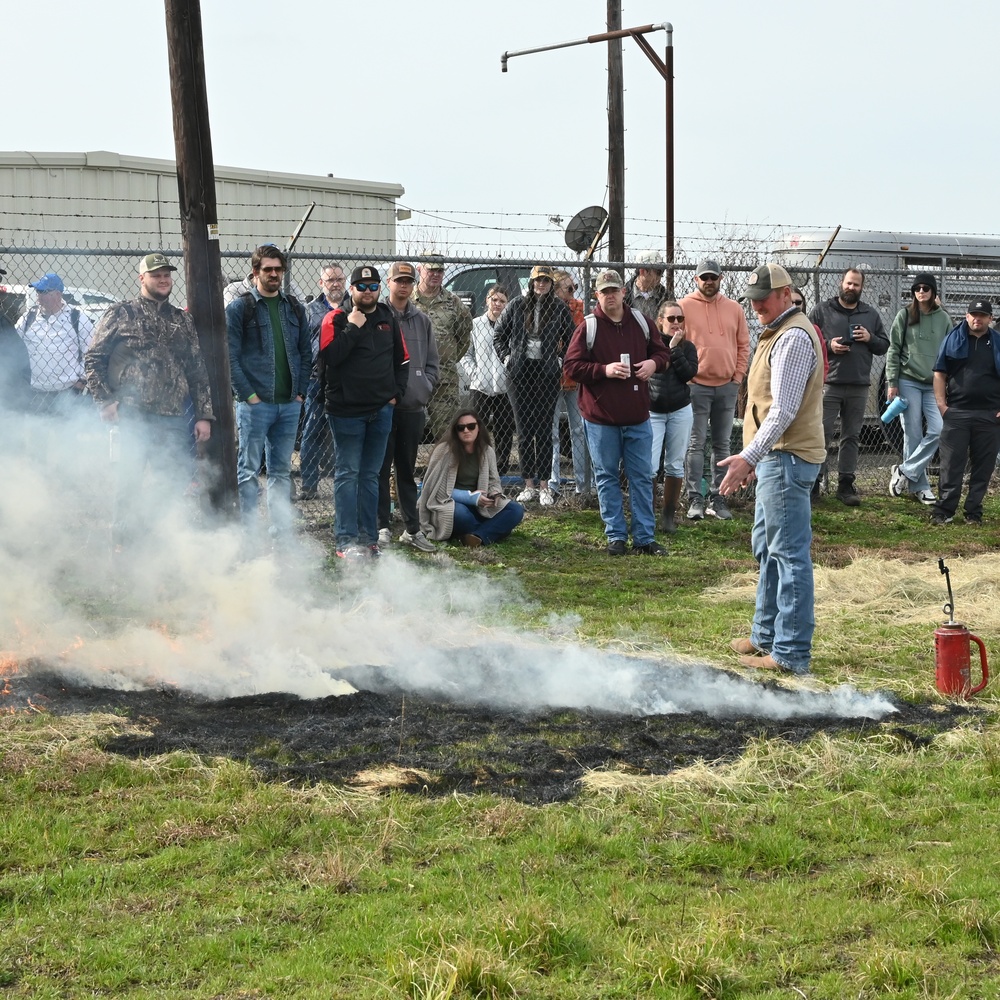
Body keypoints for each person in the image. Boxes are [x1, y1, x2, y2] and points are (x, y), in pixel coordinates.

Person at [718, 264, 825, 675]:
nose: (757, 304)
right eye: (753, 298)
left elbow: (782, 411)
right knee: (767, 547)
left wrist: (749, 457)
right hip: (775, 457)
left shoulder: (793, 337)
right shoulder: (777, 330)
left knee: (788, 554)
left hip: (786, 456)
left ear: (786, 293)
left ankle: (791, 654)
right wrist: (754, 458)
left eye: (764, 297)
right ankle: (764, 635)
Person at [84, 253, 214, 542]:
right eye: (156, 275)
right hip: (132, 414)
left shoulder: (182, 319)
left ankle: (158, 544)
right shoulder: (121, 312)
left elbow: (197, 369)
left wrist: (204, 415)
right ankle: (122, 548)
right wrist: (104, 400)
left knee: (171, 482)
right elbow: (94, 358)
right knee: (128, 483)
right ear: (142, 278)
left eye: (167, 274)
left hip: (172, 416)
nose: (163, 279)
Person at [563, 269, 670, 555]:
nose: (610, 296)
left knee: (641, 476)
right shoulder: (588, 327)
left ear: (624, 292)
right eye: (604, 291)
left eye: (614, 290)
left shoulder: (642, 323)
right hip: (601, 418)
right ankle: (616, 537)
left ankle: (645, 538)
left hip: (637, 417)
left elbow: (662, 354)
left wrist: (653, 365)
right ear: (596, 295)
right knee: (607, 476)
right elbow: (571, 367)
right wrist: (603, 370)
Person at [320, 264, 409, 559]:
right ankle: (346, 541)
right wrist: (353, 327)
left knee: (371, 476)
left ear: (379, 289)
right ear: (351, 289)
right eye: (362, 287)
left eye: (373, 287)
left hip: (381, 410)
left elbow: (403, 360)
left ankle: (369, 539)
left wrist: (395, 395)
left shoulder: (388, 317)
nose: (368, 292)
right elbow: (330, 358)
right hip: (346, 412)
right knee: (348, 474)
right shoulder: (335, 318)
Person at [226, 245, 312, 541]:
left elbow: (305, 352)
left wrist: (300, 393)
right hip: (254, 406)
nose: (273, 274)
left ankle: (280, 536)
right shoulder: (240, 308)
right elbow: (230, 357)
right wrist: (249, 396)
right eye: (267, 269)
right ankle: (249, 536)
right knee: (248, 471)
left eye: (278, 269)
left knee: (280, 473)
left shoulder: (294, 308)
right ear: (255, 272)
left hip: (289, 406)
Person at [494, 264, 575, 506]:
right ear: (531, 282)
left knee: (544, 429)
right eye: (538, 280)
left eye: (546, 281)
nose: (541, 284)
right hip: (519, 372)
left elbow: (572, 337)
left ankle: (544, 486)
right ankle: (527, 483)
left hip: (547, 372)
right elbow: (499, 335)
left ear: (551, 284)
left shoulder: (559, 308)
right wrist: (507, 357)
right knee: (524, 428)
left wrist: (559, 359)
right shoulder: (517, 305)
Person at [809, 267, 888, 506]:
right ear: (840, 283)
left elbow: (884, 345)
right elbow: (807, 339)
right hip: (829, 384)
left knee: (851, 436)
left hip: (859, 385)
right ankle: (814, 484)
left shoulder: (870, 314)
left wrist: (869, 338)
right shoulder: (822, 310)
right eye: (848, 283)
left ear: (861, 288)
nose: (851, 288)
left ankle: (845, 485)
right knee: (820, 436)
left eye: (856, 285)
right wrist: (829, 345)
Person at [680, 258, 750, 522]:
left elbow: (743, 345)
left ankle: (717, 498)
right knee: (696, 443)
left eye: (714, 277)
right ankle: (694, 498)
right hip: (696, 386)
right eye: (704, 277)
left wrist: (737, 376)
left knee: (722, 445)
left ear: (721, 279)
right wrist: (687, 377)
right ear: (696, 280)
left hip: (726, 386)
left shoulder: (734, 309)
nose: (709, 282)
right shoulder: (684, 307)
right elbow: (676, 343)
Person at [377, 261, 439, 552]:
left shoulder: (422, 320)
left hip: (412, 408)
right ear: (388, 283)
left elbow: (432, 362)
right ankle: (382, 527)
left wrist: (424, 385)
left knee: (406, 470)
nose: (403, 285)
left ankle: (412, 530)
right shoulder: (376, 316)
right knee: (380, 469)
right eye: (398, 280)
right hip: (383, 408)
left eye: (408, 281)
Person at [929, 300, 1000, 526]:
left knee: (983, 467)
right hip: (957, 413)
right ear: (966, 316)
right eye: (973, 315)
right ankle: (944, 511)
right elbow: (940, 373)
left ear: (991, 319)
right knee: (951, 465)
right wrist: (942, 406)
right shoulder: (952, 340)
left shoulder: (998, 342)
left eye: (982, 315)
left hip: (989, 415)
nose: (977, 319)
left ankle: (973, 513)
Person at [887, 272, 952, 505]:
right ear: (913, 292)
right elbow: (893, 349)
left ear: (933, 291)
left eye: (926, 287)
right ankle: (921, 487)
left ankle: (904, 471)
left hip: (933, 383)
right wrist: (892, 382)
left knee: (937, 429)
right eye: (917, 288)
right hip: (908, 380)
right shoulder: (905, 315)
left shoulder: (944, 318)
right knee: (912, 432)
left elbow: (949, 351)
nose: (921, 291)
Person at [418, 408, 524, 547]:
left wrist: (495, 494)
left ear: (478, 428)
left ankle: (476, 536)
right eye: (461, 428)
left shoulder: (487, 451)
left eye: (471, 426)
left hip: (481, 506)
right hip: (449, 504)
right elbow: (434, 491)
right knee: (462, 515)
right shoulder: (444, 451)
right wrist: (471, 498)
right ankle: (491, 530)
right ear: (455, 431)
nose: (466, 431)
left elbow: (494, 481)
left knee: (516, 510)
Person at [648, 300, 699, 533]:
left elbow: (688, 373)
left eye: (680, 319)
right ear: (660, 321)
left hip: (680, 410)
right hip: (653, 412)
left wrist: (676, 348)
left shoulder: (687, 347)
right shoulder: (650, 344)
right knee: (648, 465)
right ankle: (646, 514)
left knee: (675, 464)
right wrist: (669, 347)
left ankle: (668, 516)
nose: (676, 323)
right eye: (671, 319)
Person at [299, 263, 348, 499]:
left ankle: (344, 484)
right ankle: (309, 485)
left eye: (339, 279)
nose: (336, 284)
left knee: (346, 434)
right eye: (330, 280)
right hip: (316, 381)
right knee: (312, 432)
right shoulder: (310, 310)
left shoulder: (354, 306)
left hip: (348, 381)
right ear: (321, 283)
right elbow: (302, 346)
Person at [411, 253, 472, 439]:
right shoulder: (407, 301)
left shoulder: (454, 303)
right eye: (431, 270)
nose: (436, 274)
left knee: (447, 436)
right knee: (408, 433)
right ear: (420, 269)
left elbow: (463, 337)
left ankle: (446, 469)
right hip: (411, 379)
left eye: (440, 270)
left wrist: (446, 358)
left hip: (444, 379)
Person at [15, 272, 96, 414]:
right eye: (38, 291)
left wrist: (82, 379)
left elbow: (90, 352)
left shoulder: (76, 318)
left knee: (65, 432)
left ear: (58, 295)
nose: (38, 296)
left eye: (44, 292)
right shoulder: (29, 317)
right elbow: (14, 343)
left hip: (67, 393)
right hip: (34, 392)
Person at [461, 284, 515, 474]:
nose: (497, 304)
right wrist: (474, 373)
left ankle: (499, 470)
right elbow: (466, 354)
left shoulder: (511, 326)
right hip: (480, 387)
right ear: (487, 300)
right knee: (478, 429)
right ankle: (477, 467)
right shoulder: (475, 325)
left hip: (504, 387)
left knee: (504, 431)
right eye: (494, 299)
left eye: (502, 301)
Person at [549, 269, 592, 499]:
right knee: (552, 432)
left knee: (579, 430)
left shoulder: (579, 309)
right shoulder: (546, 309)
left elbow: (579, 339)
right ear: (556, 290)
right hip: (551, 378)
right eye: (569, 288)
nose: (573, 292)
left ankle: (583, 484)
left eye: (574, 287)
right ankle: (552, 482)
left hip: (574, 378)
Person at [624, 250, 669, 324]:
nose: (660, 276)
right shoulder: (623, 296)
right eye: (658, 272)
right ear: (642, 271)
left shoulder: (666, 296)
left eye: (661, 272)